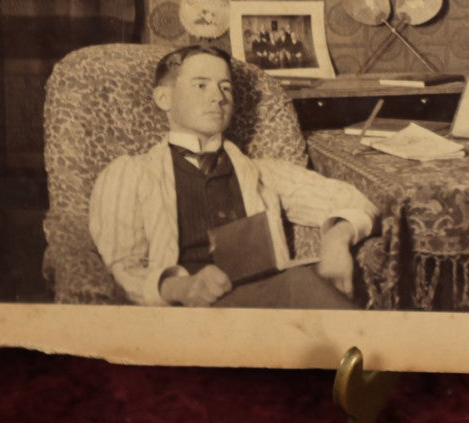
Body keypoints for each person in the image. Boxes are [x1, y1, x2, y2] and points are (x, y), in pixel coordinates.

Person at [89, 45, 378, 308]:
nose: (217, 97)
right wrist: (180, 287)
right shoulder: (130, 173)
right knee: (300, 284)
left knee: (301, 282)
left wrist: (337, 240)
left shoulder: (264, 173)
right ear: (164, 97)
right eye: (201, 85)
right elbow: (123, 267)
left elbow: (355, 201)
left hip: (264, 311)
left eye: (225, 88)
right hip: (182, 320)